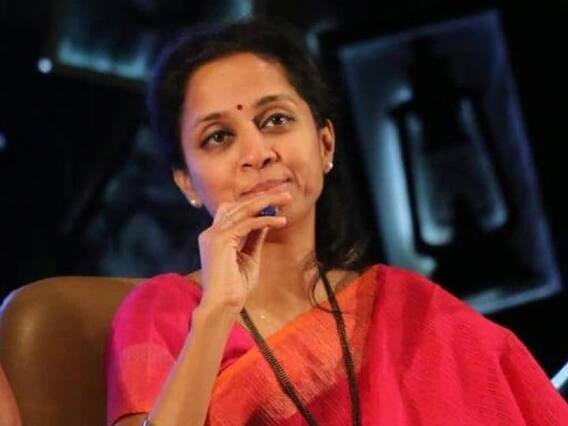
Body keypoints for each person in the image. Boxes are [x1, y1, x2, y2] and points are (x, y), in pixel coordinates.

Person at [105, 19, 568, 425]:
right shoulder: (160, 313)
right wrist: (216, 313)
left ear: (325, 145)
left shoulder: (408, 310)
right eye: (219, 136)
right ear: (187, 181)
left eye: (276, 120)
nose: (257, 153)